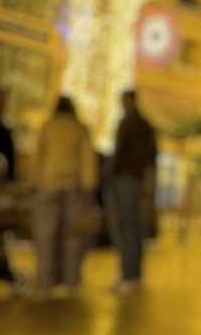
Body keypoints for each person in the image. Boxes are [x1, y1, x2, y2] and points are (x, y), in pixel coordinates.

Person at [31, 96, 98, 296]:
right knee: (73, 234)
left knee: (46, 234)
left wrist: (33, 183)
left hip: (47, 184)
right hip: (73, 185)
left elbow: (37, 157)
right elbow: (87, 158)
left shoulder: (47, 127)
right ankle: (71, 281)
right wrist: (88, 186)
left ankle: (44, 281)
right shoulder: (80, 128)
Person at [107, 89, 157, 294]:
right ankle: (135, 275)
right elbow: (152, 156)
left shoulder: (127, 123)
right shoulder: (146, 125)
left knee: (126, 227)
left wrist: (109, 174)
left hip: (124, 179)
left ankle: (127, 275)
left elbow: (119, 152)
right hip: (138, 179)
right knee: (136, 228)